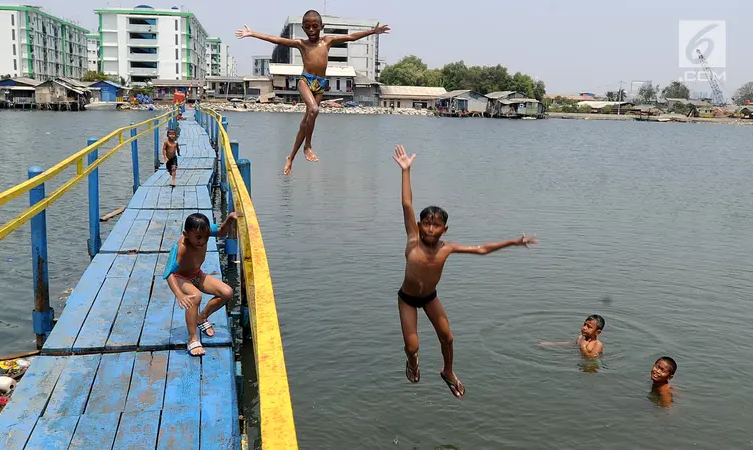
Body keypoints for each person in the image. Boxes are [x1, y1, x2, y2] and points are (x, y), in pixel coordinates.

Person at [392, 145, 538, 398]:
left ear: (444, 230)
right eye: (426, 224)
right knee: (412, 345)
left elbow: (481, 249)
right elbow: (407, 203)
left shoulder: (447, 248)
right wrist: (406, 171)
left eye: (436, 226)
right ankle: (412, 361)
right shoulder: (412, 240)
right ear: (418, 225)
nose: (429, 229)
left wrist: (513, 242)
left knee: (448, 338)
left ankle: (447, 372)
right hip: (407, 299)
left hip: (429, 297)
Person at [236, 10, 390, 175]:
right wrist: (252, 34)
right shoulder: (301, 44)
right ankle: (307, 146)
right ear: (303, 27)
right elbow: (277, 39)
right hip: (305, 81)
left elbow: (351, 37)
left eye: (314, 26)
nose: (311, 30)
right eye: (307, 27)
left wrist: (373, 32)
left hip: (320, 84)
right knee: (314, 110)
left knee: (306, 122)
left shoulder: (327, 41)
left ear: (321, 27)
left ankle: (291, 157)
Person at [163, 212, 239, 356]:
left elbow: (222, 231)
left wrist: (229, 218)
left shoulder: (204, 232)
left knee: (227, 293)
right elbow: (168, 273)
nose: (203, 241)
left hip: (197, 275)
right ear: (186, 234)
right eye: (198, 237)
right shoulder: (181, 247)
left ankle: (202, 317)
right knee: (195, 296)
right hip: (181, 277)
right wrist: (179, 295)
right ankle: (192, 338)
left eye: (206, 236)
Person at [538, 314, 605, 359]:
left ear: (597, 332)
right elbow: (571, 343)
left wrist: (583, 348)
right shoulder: (581, 337)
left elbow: (592, 358)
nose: (584, 328)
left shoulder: (597, 344)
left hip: (591, 368)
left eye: (589, 327)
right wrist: (551, 344)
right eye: (584, 324)